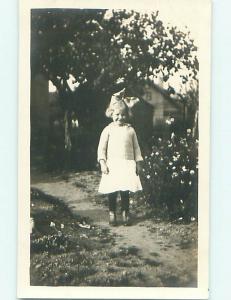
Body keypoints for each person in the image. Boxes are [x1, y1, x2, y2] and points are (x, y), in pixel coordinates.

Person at [97, 89, 143, 226]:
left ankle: (125, 213)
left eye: (123, 115)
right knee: (112, 190)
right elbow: (102, 148)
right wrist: (102, 162)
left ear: (127, 115)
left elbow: (136, 148)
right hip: (113, 165)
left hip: (127, 165)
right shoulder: (108, 130)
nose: (120, 118)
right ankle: (112, 213)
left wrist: (138, 163)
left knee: (125, 191)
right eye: (117, 114)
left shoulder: (130, 130)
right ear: (111, 114)